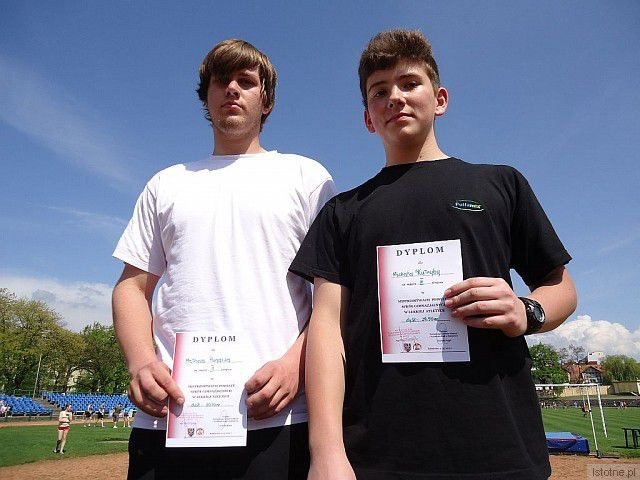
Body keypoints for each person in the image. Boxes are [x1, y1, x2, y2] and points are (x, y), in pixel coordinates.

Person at [290, 29, 578, 479]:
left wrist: (527, 311)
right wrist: (326, 452)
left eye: (410, 83)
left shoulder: (501, 183)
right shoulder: (342, 212)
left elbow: (561, 287)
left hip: (500, 450)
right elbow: (326, 329)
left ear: (439, 99)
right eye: (379, 91)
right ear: (368, 118)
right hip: (376, 456)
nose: (395, 97)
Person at [112, 38, 335, 480]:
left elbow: (333, 295)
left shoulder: (307, 177)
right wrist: (141, 362)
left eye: (246, 81)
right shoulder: (166, 183)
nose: (232, 88)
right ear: (207, 97)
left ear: (265, 101)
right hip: (170, 416)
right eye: (221, 81)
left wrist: (298, 363)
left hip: (278, 417)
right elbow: (131, 288)